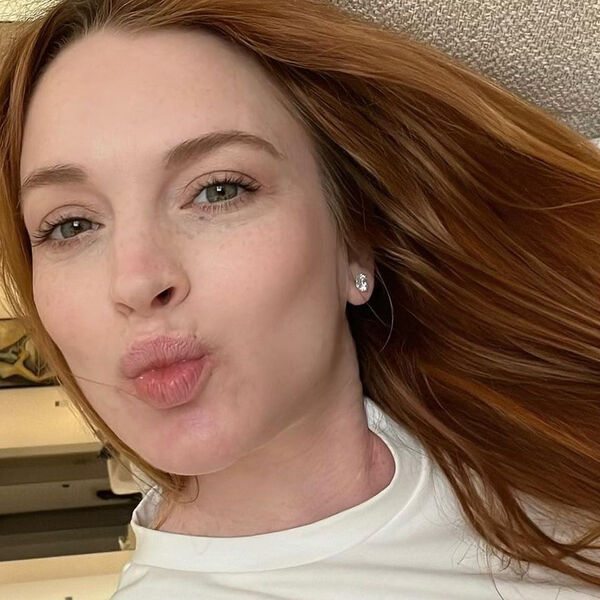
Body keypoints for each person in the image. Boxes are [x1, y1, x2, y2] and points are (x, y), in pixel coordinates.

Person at [1, 0, 599, 597]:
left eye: (218, 190)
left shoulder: (543, 428)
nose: (135, 282)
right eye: (70, 226)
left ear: (354, 243)